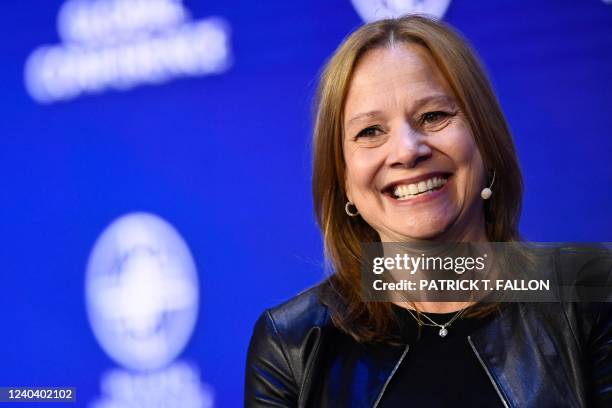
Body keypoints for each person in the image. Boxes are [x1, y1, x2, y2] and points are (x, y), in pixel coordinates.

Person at [244, 15, 612, 407]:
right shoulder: (292, 344)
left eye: (434, 116)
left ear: (485, 140)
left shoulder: (589, 295)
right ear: (344, 180)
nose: (406, 150)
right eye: (370, 131)